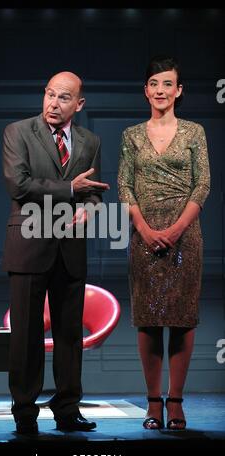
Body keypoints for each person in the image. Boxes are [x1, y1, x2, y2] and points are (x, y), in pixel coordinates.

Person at [2, 71, 110, 434]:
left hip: (70, 249)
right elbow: (19, 185)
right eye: (49, 94)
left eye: (63, 97)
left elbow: (93, 190)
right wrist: (69, 190)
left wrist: (90, 207)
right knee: (26, 337)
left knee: (69, 336)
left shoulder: (90, 141)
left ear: (78, 104)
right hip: (29, 246)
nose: (53, 103)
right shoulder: (18, 132)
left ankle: (67, 410)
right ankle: (25, 413)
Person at [118, 55, 210, 430]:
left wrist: (175, 231)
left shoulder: (194, 132)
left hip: (185, 238)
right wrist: (143, 228)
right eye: (154, 83)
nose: (160, 90)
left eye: (167, 84)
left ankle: (176, 404)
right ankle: (153, 404)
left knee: (183, 320)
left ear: (179, 91)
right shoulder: (131, 135)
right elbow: (124, 185)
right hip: (143, 238)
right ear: (146, 90)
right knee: (148, 321)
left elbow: (202, 184)